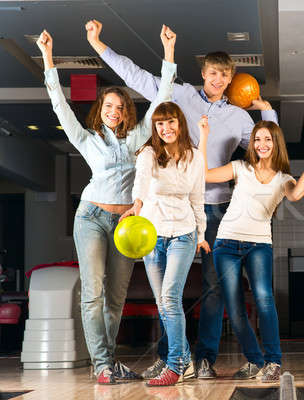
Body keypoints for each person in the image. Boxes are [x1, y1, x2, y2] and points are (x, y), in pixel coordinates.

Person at [85, 19, 278, 379]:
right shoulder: (182, 94)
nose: (217, 80)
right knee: (167, 292)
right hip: (167, 209)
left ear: (231, 78)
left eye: (224, 75)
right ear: (203, 73)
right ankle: (172, 355)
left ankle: (203, 358)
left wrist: (265, 111)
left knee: (213, 288)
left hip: (217, 210)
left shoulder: (239, 118)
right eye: (212, 73)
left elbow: (268, 145)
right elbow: (138, 76)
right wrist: (99, 46)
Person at [36, 26, 177, 384]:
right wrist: (49, 58)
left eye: (120, 106)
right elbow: (58, 103)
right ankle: (101, 365)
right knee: (93, 291)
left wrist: (168, 52)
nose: (114, 111)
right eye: (109, 106)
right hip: (92, 218)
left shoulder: (138, 136)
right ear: (102, 109)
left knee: (115, 297)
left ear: (127, 110)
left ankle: (107, 362)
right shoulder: (85, 138)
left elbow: (161, 98)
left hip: (127, 223)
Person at [198, 118, 304, 382]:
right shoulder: (241, 167)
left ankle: (273, 362)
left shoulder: (283, 179)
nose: (261, 144)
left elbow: (297, 194)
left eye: (267, 139)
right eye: (257, 139)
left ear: (276, 143)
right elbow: (204, 174)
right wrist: (203, 136)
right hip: (225, 244)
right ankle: (256, 361)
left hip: (259, 245)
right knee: (235, 310)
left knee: (264, 300)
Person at [121, 102, 210, 386]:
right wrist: (136, 204)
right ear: (155, 128)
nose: (166, 128)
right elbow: (142, 182)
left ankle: (176, 366)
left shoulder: (194, 157)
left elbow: (198, 197)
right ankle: (185, 360)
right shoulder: (148, 153)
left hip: (184, 234)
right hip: (152, 235)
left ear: (180, 124)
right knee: (163, 302)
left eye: (171, 122)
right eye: (160, 124)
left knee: (170, 298)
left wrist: (202, 233)